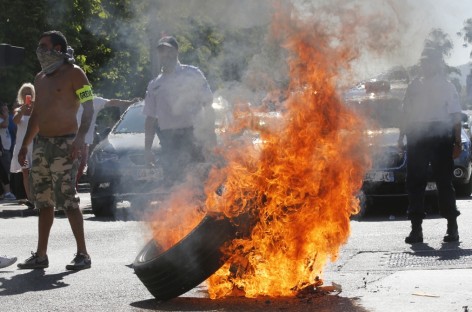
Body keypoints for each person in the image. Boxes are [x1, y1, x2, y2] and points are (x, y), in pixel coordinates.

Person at [16, 30, 94, 270]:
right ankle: (41, 255)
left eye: (44, 46)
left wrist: (80, 139)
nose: (39, 50)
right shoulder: (40, 78)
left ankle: (83, 254)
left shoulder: (75, 74)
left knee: (68, 199)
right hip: (42, 145)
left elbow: (89, 107)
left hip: (66, 144)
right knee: (43, 202)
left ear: (58, 49)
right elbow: (36, 116)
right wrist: (25, 145)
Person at [398, 47, 462, 244]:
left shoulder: (447, 86)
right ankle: (416, 229)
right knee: (415, 183)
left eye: (429, 62)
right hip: (417, 136)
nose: (425, 66)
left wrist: (457, 142)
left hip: (441, 137)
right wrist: (401, 137)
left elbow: (455, 116)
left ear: (437, 64)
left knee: (444, 182)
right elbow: (406, 114)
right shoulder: (414, 86)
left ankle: (452, 227)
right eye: (423, 62)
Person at [143, 35, 216, 185]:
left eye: (169, 50)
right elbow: (150, 118)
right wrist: (147, 149)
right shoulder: (155, 84)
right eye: (162, 51)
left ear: (176, 52)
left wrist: (210, 135)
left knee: (199, 182)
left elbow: (208, 104)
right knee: (174, 184)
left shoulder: (192, 73)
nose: (166, 54)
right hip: (169, 140)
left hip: (193, 136)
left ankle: (201, 208)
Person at [75, 96, 140, 185]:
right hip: (71, 141)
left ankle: (69, 191)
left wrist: (129, 103)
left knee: (77, 170)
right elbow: (112, 102)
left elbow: (112, 102)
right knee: (72, 170)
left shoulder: (93, 101)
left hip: (81, 142)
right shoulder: (67, 100)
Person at [10, 83, 35, 208]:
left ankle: (39, 197)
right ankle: (30, 199)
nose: (27, 94)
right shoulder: (19, 109)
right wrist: (23, 109)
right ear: (21, 94)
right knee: (25, 172)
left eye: (29, 92)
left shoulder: (38, 108)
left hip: (35, 145)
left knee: (37, 171)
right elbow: (15, 121)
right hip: (22, 147)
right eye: (24, 92)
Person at [0, 102, 15, 200]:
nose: (7, 111)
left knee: (8, 170)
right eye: (5, 110)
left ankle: (9, 191)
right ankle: (7, 192)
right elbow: (5, 125)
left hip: (7, 149)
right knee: (5, 171)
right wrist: (6, 116)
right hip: (3, 150)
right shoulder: (3, 120)